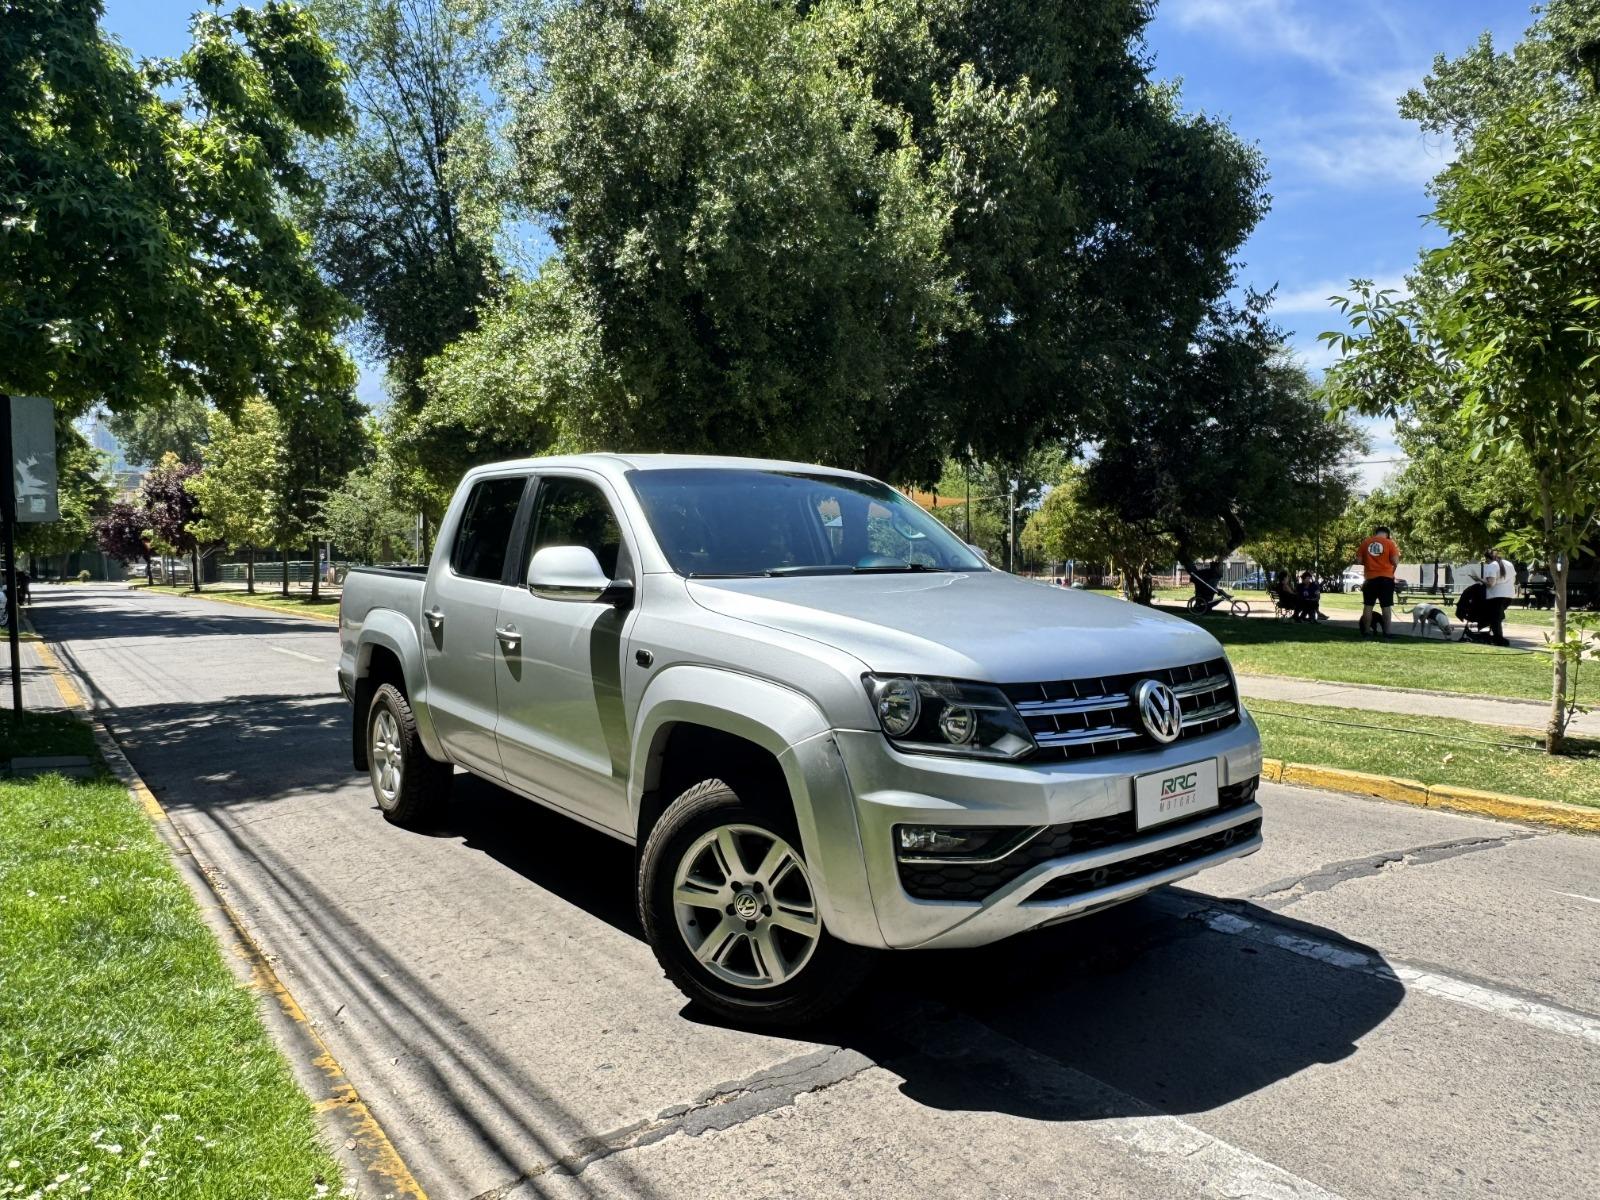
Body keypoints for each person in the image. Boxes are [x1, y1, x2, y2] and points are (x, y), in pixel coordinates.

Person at [1357, 524, 1400, 637]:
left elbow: (1359, 561)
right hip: (1386, 579)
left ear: (1376, 533)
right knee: (1386, 607)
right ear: (1387, 534)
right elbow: (1395, 561)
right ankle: (1387, 633)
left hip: (1370, 578)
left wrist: (1370, 563)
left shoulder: (1366, 542)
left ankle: (1366, 632)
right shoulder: (1390, 543)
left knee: (1368, 606)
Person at [1477, 548, 1515, 646]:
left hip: (1496, 595)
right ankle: (1497, 637)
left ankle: (1499, 639)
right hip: (1509, 595)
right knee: (1497, 617)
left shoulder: (1492, 566)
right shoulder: (1509, 564)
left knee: (1495, 618)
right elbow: (1514, 579)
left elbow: (1491, 584)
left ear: (1487, 558)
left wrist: (1479, 579)